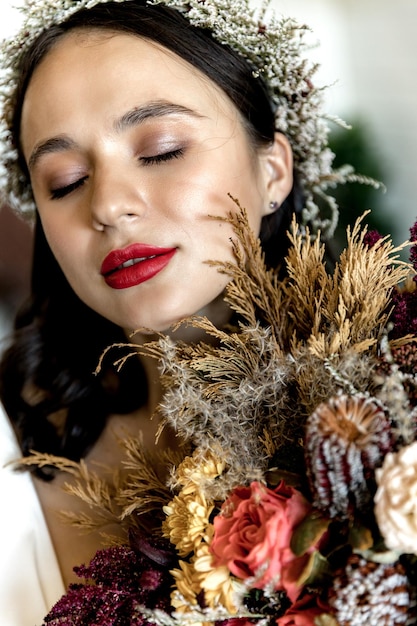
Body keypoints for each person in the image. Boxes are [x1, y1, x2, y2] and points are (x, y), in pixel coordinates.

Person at [1, 1, 408, 625]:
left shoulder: (399, 383)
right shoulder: (12, 449)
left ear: (272, 170)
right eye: (65, 179)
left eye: (161, 149)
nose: (108, 205)